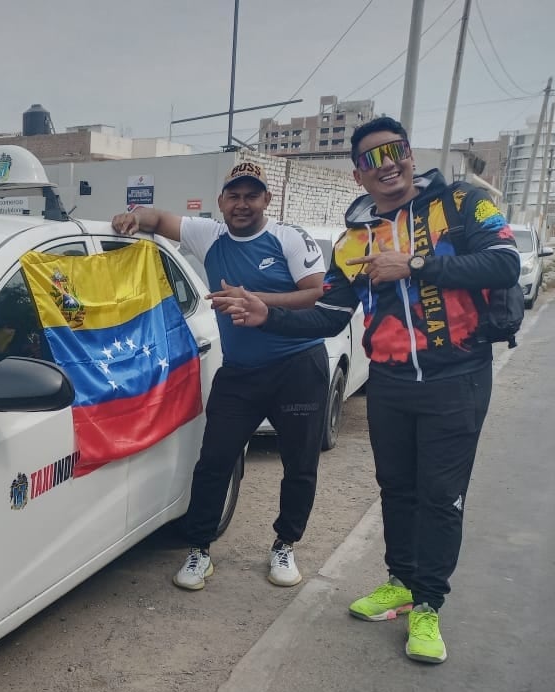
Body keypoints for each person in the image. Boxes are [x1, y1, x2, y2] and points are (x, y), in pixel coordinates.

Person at [213, 117, 520, 664]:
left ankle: (428, 606)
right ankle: (401, 583)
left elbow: (503, 262)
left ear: (408, 153)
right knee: (396, 488)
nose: (388, 166)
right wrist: (268, 316)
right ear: (358, 174)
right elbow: (330, 314)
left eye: (395, 152)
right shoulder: (355, 239)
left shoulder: (462, 204)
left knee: (440, 496)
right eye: (372, 159)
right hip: (391, 381)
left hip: (457, 376)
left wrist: (416, 264)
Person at [111, 161, 329, 592]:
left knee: (300, 464)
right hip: (242, 373)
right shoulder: (208, 234)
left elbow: (318, 292)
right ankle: (200, 550)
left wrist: (257, 300)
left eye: (252, 195)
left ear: (267, 200)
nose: (242, 204)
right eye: (234, 195)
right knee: (214, 461)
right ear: (221, 201)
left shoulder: (289, 238)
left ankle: (285, 543)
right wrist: (135, 217)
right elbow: (159, 218)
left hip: (297, 367)